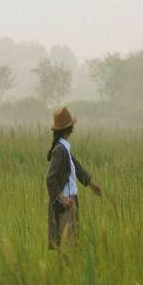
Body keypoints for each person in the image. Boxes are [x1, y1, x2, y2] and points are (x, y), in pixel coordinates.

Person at [46, 106, 102, 249]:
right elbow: (50, 178)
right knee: (67, 249)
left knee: (71, 246)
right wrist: (62, 198)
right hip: (65, 206)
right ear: (69, 130)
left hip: (71, 203)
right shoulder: (60, 151)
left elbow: (77, 168)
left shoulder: (65, 149)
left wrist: (92, 184)